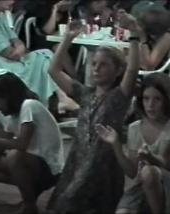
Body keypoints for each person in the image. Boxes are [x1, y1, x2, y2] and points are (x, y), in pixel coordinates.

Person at [46, 11, 140, 213]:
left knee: (75, 202)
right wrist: (68, 38)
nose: (95, 69)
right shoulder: (84, 93)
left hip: (102, 163)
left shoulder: (118, 97)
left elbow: (132, 70)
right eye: (93, 64)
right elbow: (53, 70)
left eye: (103, 65)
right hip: (79, 158)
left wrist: (134, 35)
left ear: (117, 71)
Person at [0, 72, 64, 213]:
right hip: (32, 163)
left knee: (14, 157)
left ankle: (29, 205)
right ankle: (30, 194)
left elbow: (21, 144)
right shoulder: (11, 116)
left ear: (8, 97)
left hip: (49, 167)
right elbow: (0, 144)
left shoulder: (29, 105)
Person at [97, 73, 170, 214]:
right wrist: (116, 144)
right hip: (143, 186)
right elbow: (132, 172)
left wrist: (149, 157)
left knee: (149, 172)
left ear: (167, 100)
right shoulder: (135, 128)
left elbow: (166, 165)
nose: (150, 105)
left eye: (157, 99)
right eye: (146, 98)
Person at [0, 0, 78, 111]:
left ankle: (62, 98)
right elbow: (10, 53)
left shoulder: (0, 16)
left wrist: (19, 48)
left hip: (12, 57)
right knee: (44, 59)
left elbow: (16, 40)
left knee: (47, 54)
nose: (13, 1)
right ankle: (61, 99)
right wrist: (19, 49)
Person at [131, 0, 170, 71]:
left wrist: (143, 39)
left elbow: (149, 66)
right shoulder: (144, 31)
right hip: (134, 65)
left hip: (147, 74)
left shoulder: (165, 37)